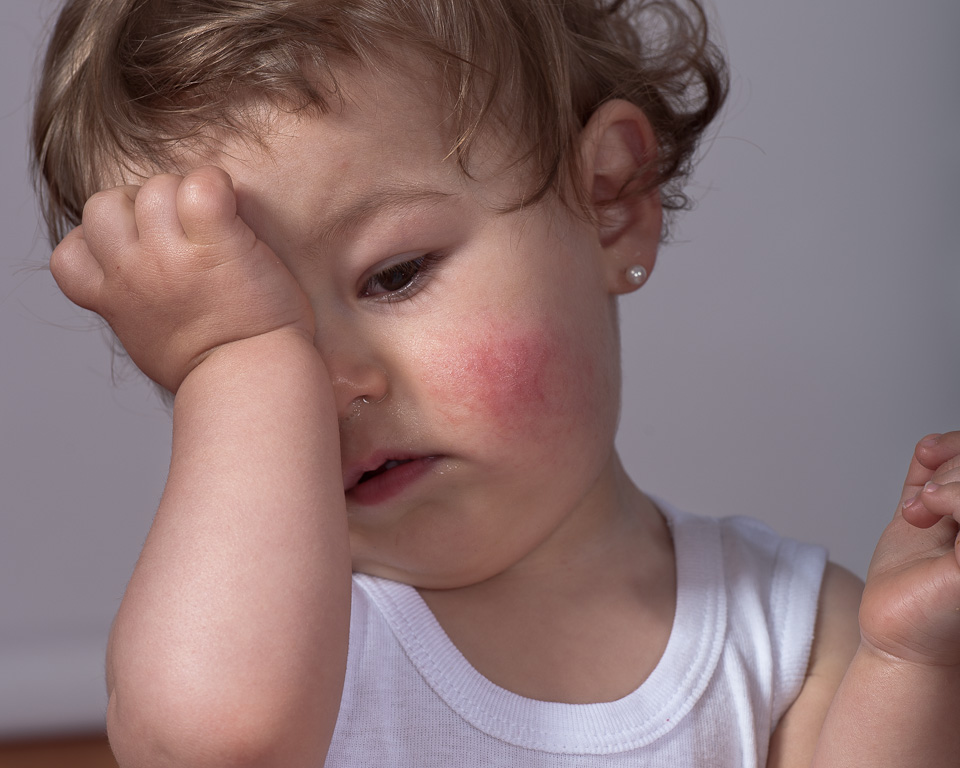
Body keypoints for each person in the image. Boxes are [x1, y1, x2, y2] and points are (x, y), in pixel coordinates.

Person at [30, 0, 960, 766]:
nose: (330, 388)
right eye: (233, 356)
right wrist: (241, 356)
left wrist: (908, 663)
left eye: (394, 275)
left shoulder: (784, 637)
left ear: (607, 201)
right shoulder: (272, 648)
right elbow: (214, 744)